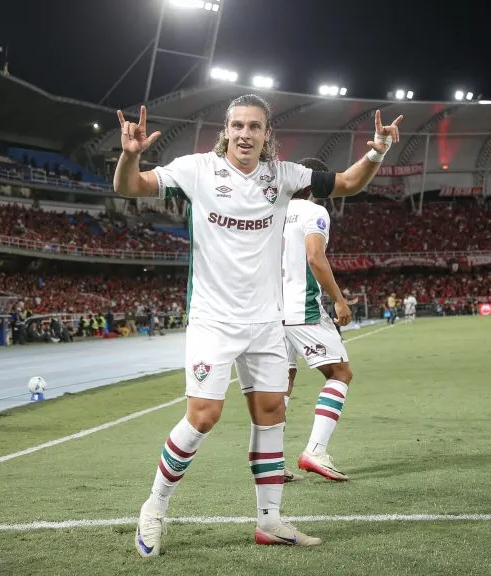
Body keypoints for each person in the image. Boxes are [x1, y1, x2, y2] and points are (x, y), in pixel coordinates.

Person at [114, 95, 401, 555]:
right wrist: (130, 156)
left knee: (271, 414)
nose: (245, 133)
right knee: (203, 417)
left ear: (268, 134)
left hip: (267, 322)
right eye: (238, 125)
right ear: (225, 130)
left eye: (255, 126)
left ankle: (270, 520)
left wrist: (377, 151)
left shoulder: (284, 177)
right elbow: (131, 187)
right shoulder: (195, 170)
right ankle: (154, 507)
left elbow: (347, 182)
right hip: (213, 320)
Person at [281, 156, 354, 482]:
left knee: (280, 385)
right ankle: (315, 450)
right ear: (314, 184)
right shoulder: (313, 211)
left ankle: (269, 463)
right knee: (340, 372)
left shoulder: (268, 213)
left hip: (267, 313)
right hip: (302, 310)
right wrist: (339, 300)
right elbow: (314, 257)